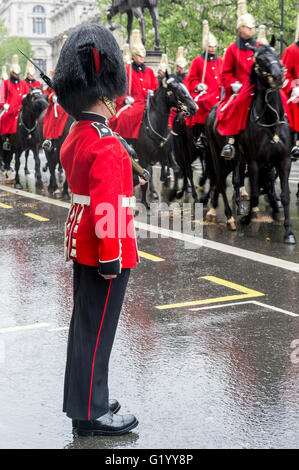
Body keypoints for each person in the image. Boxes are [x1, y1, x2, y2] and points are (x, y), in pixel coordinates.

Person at [52, 23, 140, 437]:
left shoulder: (79, 133)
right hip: (105, 246)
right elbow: (107, 206)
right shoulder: (105, 141)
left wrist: (128, 177)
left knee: (86, 327)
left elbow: (99, 187)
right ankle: (93, 414)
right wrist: (111, 257)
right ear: (104, 91)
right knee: (98, 330)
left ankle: (87, 399)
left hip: (82, 240)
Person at [216, 0, 257, 159]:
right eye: (247, 27)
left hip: (257, 86)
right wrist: (233, 84)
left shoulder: (259, 47)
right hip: (239, 89)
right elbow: (225, 73)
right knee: (238, 104)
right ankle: (230, 142)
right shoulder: (233, 49)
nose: (251, 29)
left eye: (252, 27)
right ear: (240, 29)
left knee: (279, 99)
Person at [110, 29, 158, 139]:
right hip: (134, 104)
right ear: (133, 56)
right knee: (124, 117)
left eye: (143, 56)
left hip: (149, 103)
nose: (142, 58)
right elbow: (119, 88)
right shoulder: (127, 70)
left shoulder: (149, 71)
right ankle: (127, 142)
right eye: (139, 56)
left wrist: (153, 93)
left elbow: (155, 86)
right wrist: (125, 98)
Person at [187, 20, 223, 149]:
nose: (213, 48)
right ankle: (200, 135)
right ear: (205, 47)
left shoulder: (220, 60)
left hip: (219, 91)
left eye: (214, 46)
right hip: (205, 92)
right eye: (210, 46)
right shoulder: (198, 61)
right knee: (202, 103)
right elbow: (191, 79)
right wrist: (198, 85)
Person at [281, 13, 299, 159]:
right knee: (295, 104)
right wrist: (294, 87)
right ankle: (295, 143)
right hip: (295, 92)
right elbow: (285, 75)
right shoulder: (291, 50)